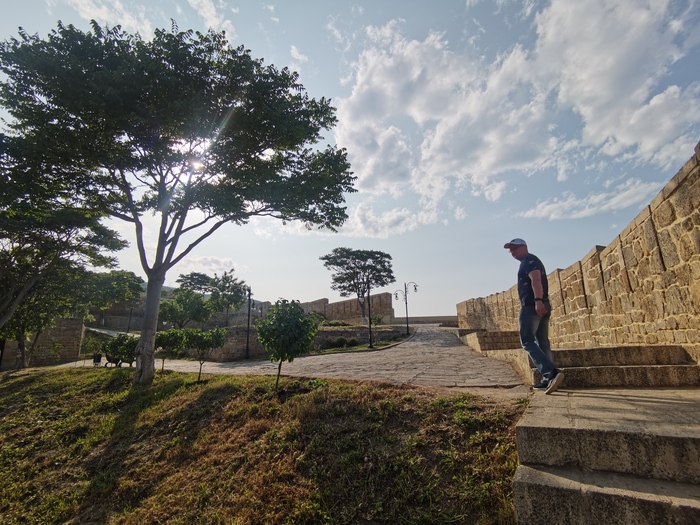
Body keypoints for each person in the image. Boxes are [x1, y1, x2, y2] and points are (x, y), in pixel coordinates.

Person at [504, 238, 564, 394]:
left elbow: (536, 279)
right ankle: (548, 379)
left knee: (527, 341)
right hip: (540, 304)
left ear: (524, 247)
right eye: (511, 250)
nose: (513, 252)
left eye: (515, 248)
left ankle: (550, 373)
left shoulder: (529, 260)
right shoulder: (529, 260)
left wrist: (538, 300)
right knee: (542, 342)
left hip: (532, 306)